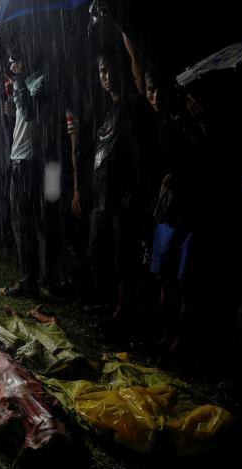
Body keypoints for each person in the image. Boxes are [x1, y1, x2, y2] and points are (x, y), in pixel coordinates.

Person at [82, 45, 153, 336]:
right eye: (101, 70)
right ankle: (115, 305)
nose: (106, 76)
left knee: (125, 259)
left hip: (124, 197)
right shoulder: (107, 110)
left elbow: (141, 154)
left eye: (110, 69)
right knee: (97, 254)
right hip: (102, 197)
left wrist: (135, 191)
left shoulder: (134, 106)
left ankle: (126, 313)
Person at [0, 44, 49, 298]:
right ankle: (32, 279)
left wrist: (18, 85)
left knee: (31, 224)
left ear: (24, 58)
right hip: (18, 159)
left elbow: (31, 113)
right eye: (10, 61)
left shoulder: (39, 81)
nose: (11, 66)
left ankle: (38, 280)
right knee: (21, 224)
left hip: (30, 162)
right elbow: (22, 120)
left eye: (13, 60)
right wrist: (11, 114)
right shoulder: (23, 83)